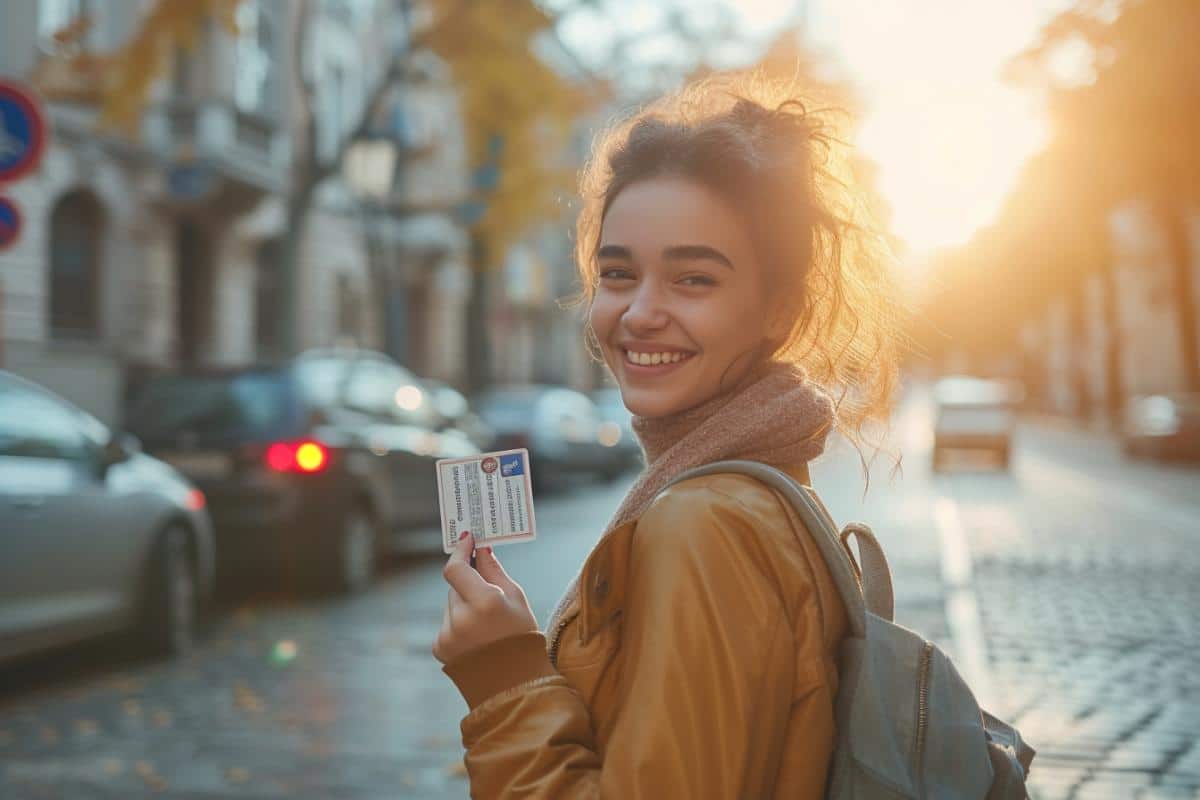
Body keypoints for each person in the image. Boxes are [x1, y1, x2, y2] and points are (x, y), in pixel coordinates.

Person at [432, 73, 904, 798]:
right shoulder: (759, 490)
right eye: (618, 275)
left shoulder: (707, 522)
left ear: (778, 309)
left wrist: (502, 679)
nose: (640, 313)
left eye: (693, 280)